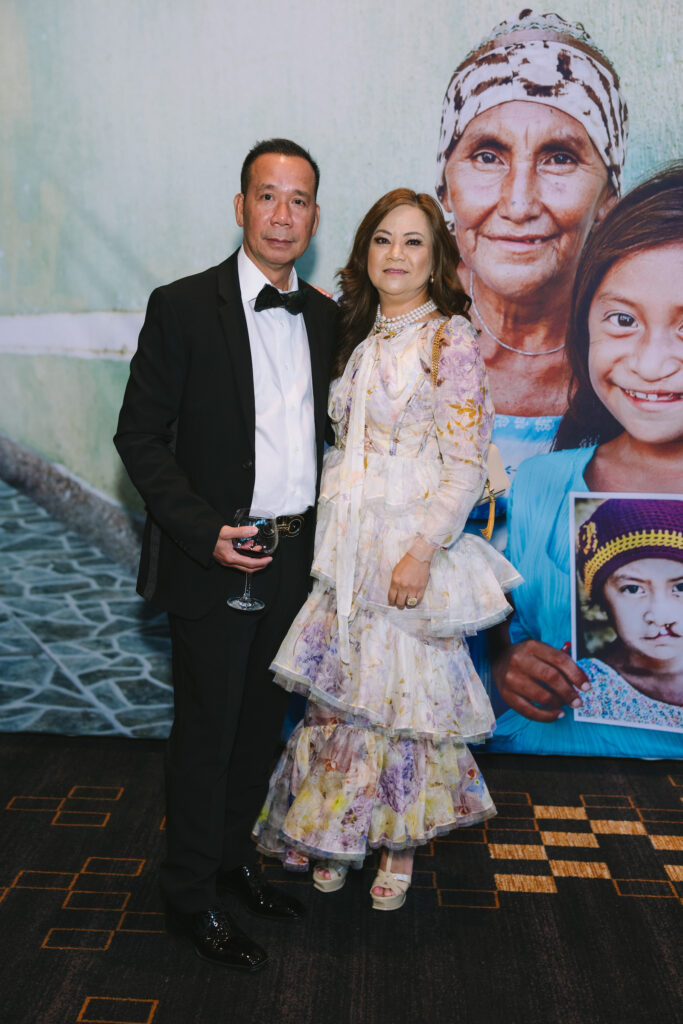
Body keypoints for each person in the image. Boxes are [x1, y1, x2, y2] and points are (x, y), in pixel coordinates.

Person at [252, 189, 521, 909]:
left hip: (407, 547)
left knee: (406, 704)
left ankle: (397, 850)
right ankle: (338, 828)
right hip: (344, 548)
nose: (394, 256)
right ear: (363, 252)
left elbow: (466, 464)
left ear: (435, 261)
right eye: (381, 240)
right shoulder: (360, 333)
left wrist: (420, 552)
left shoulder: (449, 340)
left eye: (411, 243)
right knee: (341, 702)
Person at [114, 138, 338, 968]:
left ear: (314, 216)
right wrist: (200, 528)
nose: (283, 214)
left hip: (292, 557)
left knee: (256, 733)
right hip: (214, 554)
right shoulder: (180, 306)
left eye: (299, 199)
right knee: (206, 733)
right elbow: (137, 436)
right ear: (240, 207)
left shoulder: (322, 316)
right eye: (268, 197)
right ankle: (189, 896)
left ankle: (234, 864)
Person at [488, 164, 683, 758]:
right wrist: (509, 663)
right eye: (622, 320)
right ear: (585, 327)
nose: (650, 364)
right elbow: (514, 633)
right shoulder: (543, 484)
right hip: (549, 783)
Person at [435, 9, 628, 544]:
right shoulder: (368, 325)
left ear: (607, 200)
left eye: (559, 157)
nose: (519, 203)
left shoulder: (643, 357)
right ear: (445, 191)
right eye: (488, 155)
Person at [573, 497, 683, 732]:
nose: (661, 617)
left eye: (680, 588)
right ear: (603, 602)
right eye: (633, 589)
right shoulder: (585, 689)